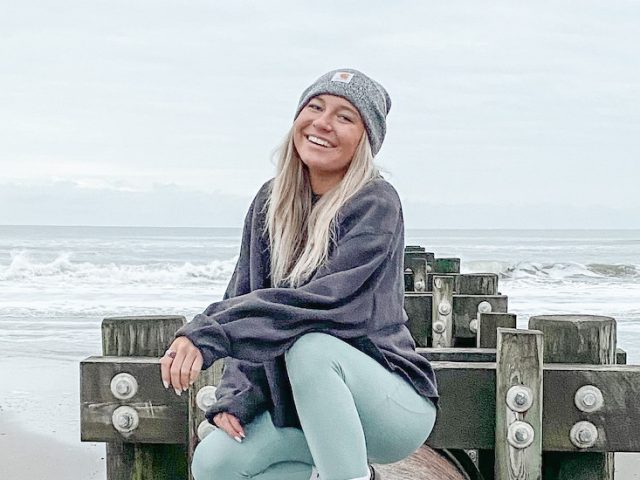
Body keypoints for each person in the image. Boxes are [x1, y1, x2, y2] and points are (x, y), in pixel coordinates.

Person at [160, 68, 439, 480]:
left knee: (312, 348)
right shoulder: (270, 202)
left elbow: (326, 304)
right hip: (303, 410)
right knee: (215, 463)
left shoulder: (376, 202)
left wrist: (209, 333)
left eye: (345, 117)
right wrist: (235, 395)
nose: (323, 123)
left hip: (389, 404)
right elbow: (245, 295)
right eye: (315, 106)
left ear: (366, 139)